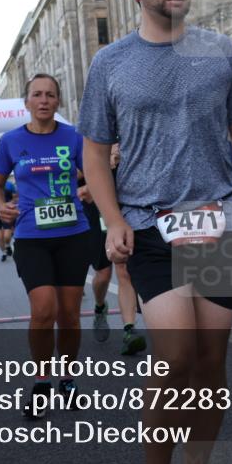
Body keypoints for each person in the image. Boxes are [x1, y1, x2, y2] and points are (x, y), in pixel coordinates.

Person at [78, 0, 232, 464]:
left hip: (220, 220)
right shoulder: (110, 63)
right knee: (173, 359)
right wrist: (114, 219)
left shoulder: (221, 52)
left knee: (210, 364)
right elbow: (95, 151)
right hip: (149, 223)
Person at [0, 73, 93, 418]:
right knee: (44, 310)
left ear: (57, 101)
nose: (44, 100)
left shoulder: (74, 137)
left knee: (69, 316)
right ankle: (42, 382)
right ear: (27, 102)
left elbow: (95, 173)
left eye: (50, 94)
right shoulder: (11, 141)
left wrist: (90, 188)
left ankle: (68, 380)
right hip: (32, 236)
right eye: (37, 94)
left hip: (73, 234)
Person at [84, 142, 147, 354]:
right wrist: (101, 164)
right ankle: (100, 306)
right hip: (99, 215)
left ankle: (129, 330)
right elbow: (81, 175)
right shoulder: (89, 139)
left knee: (124, 271)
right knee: (103, 275)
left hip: (129, 211)